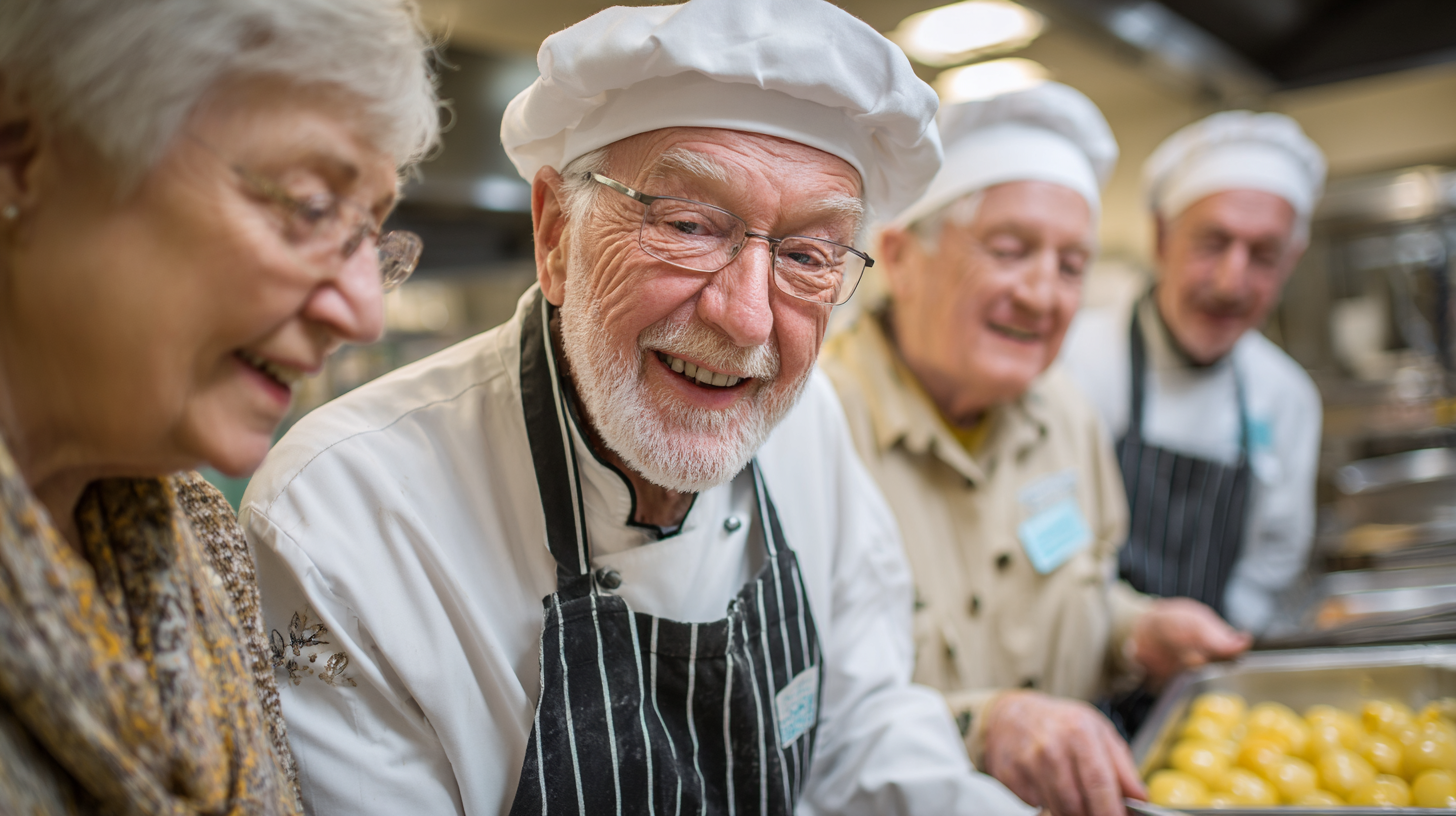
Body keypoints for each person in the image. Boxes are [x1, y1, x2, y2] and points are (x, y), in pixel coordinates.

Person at [240, 1, 1040, 814]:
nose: (747, 318)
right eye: (690, 225)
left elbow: (859, 730)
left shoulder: (813, 423)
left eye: (806, 255)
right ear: (555, 235)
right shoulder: (346, 516)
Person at [0, 0, 440, 813]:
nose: (364, 314)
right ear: (25, 155)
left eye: (371, 243)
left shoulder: (208, 543)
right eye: (311, 207)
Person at [820, 83, 1250, 816]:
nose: (1044, 296)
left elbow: (1075, 585)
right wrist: (984, 726)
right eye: (1012, 251)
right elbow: (796, 707)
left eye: (1072, 266)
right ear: (899, 256)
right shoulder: (818, 426)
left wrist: (1136, 631)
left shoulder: (1065, 414)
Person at [1061, 111, 1326, 636]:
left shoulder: (1287, 396)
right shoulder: (1071, 360)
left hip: (1210, 671)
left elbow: (1274, 559)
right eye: (1213, 242)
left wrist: (1217, 641)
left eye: (1263, 255)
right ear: (1161, 237)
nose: (1232, 281)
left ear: (1291, 261)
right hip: (1081, 655)